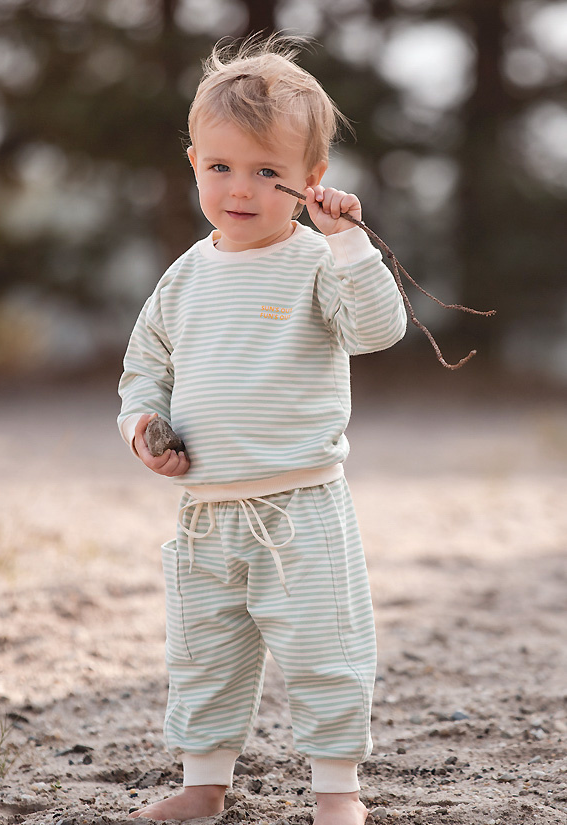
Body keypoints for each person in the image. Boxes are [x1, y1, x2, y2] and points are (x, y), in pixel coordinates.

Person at [117, 34, 407, 825]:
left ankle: (337, 790)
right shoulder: (183, 276)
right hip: (205, 511)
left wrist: (349, 241)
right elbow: (144, 367)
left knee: (324, 649)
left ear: (312, 179)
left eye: (266, 172)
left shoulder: (316, 260)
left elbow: (376, 330)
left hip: (301, 504)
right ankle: (202, 783)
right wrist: (143, 425)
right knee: (203, 653)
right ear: (193, 164)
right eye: (220, 167)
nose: (239, 188)